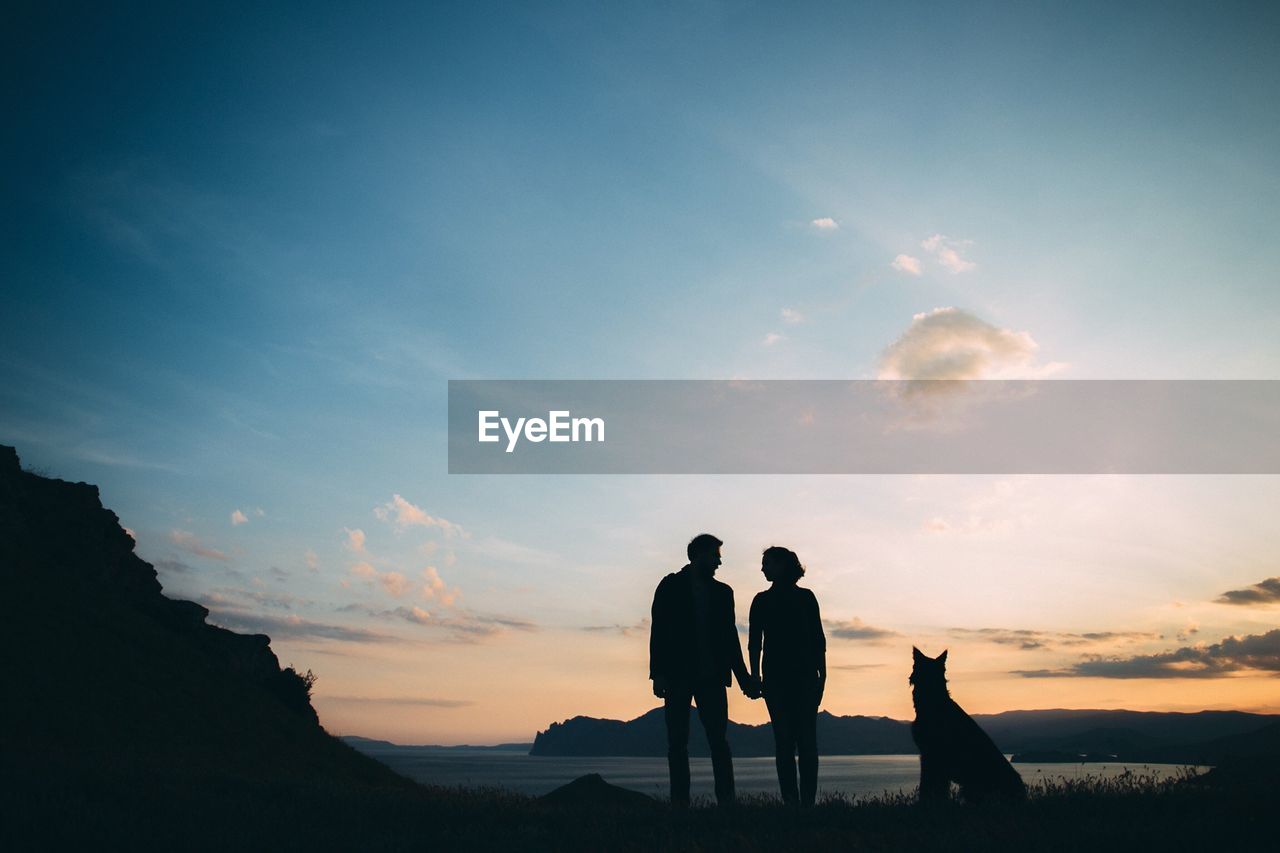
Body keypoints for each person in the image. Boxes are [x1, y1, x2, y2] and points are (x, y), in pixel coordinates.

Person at [649, 533, 760, 807]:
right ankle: (679, 803)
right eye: (715, 556)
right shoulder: (670, 585)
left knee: (718, 742)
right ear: (698, 555)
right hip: (677, 675)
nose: (719, 562)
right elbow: (658, 630)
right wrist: (658, 673)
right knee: (677, 742)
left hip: (712, 675)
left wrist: (743, 677)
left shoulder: (724, 593)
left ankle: (727, 802)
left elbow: (729, 638)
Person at [748, 546, 826, 806]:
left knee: (803, 742)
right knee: (787, 742)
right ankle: (794, 803)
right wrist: (755, 675)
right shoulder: (761, 600)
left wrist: (822, 677)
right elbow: (754, 642)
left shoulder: (806, 598)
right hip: (779, 680)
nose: (763, 568)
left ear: (782, 565)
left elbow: (818, 640)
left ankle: (805, 804)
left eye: (767, 563)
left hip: (801, 679)